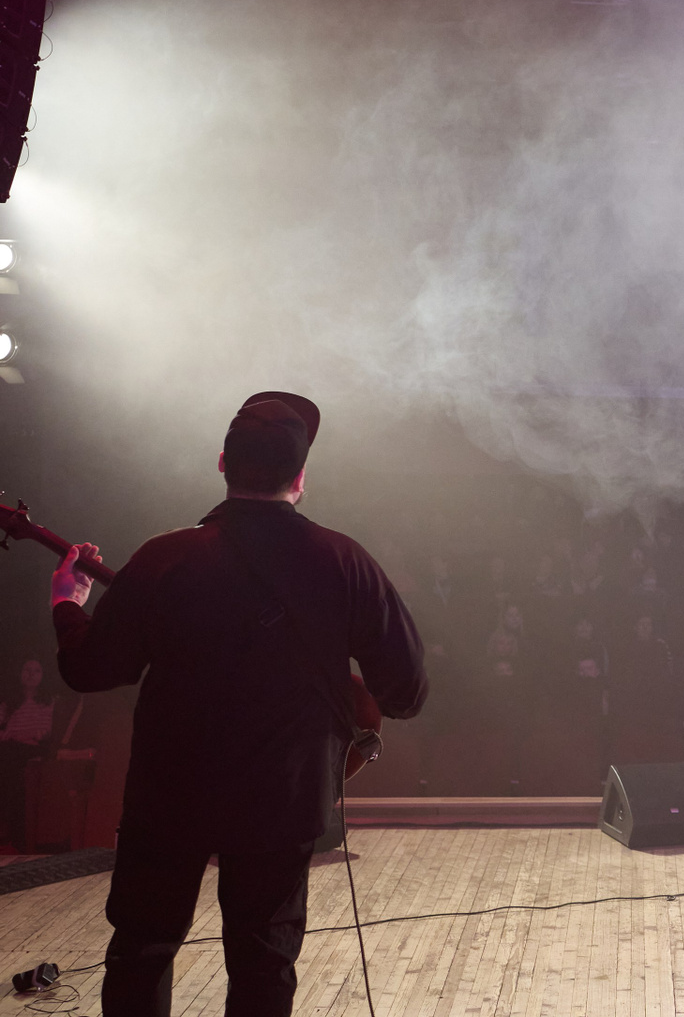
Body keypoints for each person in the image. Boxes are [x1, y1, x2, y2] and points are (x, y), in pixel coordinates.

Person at [48, 392, 428, 1017]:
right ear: (300, 477)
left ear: (223, 463)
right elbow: (406, 693)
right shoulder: (345, 562)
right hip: (284, 797)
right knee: (263, 963)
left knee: (143, 950)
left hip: (170, 796)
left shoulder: (165, 556)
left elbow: (89, 670)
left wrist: (68, 601)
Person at [0, 658, 57, 850]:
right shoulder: (9, 702)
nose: (31, 674)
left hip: (34, 749)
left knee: (12, 763)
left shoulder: (49, 702)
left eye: (36, 671)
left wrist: (18, 735)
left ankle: (15, 832)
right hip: (11, 750)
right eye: (27, 669)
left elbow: (46, 732)